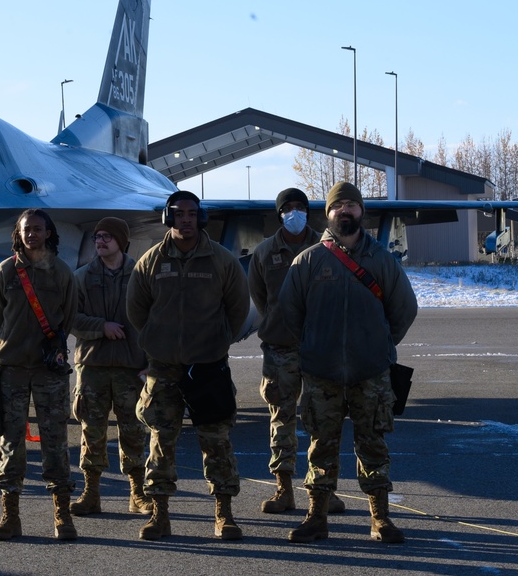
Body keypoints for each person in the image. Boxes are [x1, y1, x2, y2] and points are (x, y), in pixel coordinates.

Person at [280, 182, 418, 544]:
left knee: (372, 445)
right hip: (321, 374)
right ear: (326, 213)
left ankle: (380, 519)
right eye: (337, 205)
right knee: (320, 446)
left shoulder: (382, 260)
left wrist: (378, 346)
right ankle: (316, 517)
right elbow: (290, 314)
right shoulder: (308, 261)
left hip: (370, 373)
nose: (345, 211)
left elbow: (404, 310)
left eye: (352, 204)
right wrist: (313, 347)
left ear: (362, 211)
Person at [127, 190, 251, 541]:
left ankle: (224, 514)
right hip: (163, 368)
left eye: (191, 213)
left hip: (208, 366)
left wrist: (217, 341)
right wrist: (156, 339)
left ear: (201, 217)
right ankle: (160, 514)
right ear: (169, 217)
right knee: (160, 441)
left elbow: (238, 307)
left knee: (216, 441)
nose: (185, 219)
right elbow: (137, 310)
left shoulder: (221, 260)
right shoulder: (150, 261)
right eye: (178, 213)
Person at [249, 187, 344, 515]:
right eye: (287, 208)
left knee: (324, 421)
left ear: (309, 211)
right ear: (279, 214)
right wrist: (280, 324)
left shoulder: (328, 247)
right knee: (282, 419)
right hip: (280, 349)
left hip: (319, 348)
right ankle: (283, 490)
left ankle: (324, 491)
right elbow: (261, 298)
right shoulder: (264, 253)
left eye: (299, 207)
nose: (294, 213)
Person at [0, 208, 78, 541]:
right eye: (27, 229)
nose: (32, 234)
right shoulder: (6, 271)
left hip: (48, 371)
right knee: (11, 443)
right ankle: (10, 517)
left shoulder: (61, 273)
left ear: (48, 233)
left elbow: (68, 316)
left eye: (38, 229)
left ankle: (63, 516)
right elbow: (0, 317)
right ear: (19, 233)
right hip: (11, 368)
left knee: (55, 442)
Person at [69, 217, 152, 517]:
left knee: (133, 431)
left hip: (132, 366)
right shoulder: (81, 277)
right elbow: (70, 318)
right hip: (93, 366)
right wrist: (100, 326)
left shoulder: (141, 275)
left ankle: (137, 493)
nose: (100, 241)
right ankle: (91, 493)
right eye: (97, 236)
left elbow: (154, 321)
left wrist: (151, 364)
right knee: (92, 431)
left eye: (107, 236)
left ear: (121, 240)